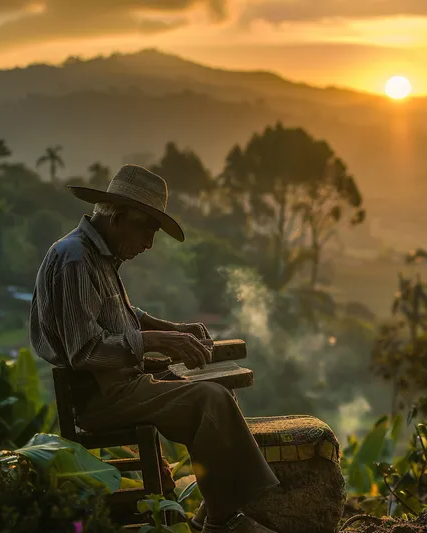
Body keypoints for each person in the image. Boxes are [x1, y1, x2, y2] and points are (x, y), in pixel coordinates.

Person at [29, 164, 280, 533]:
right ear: (117, 217)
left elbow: (121, 314)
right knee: (208, 400)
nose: (149, 242)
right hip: (102, 396)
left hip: (125, 383)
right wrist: (157, 341)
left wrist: (170, 328)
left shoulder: (97, 254)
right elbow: (84, 351)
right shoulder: (76, 259)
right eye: (146, 227)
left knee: (218, 389)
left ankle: (215, 512)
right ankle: (224, 521)